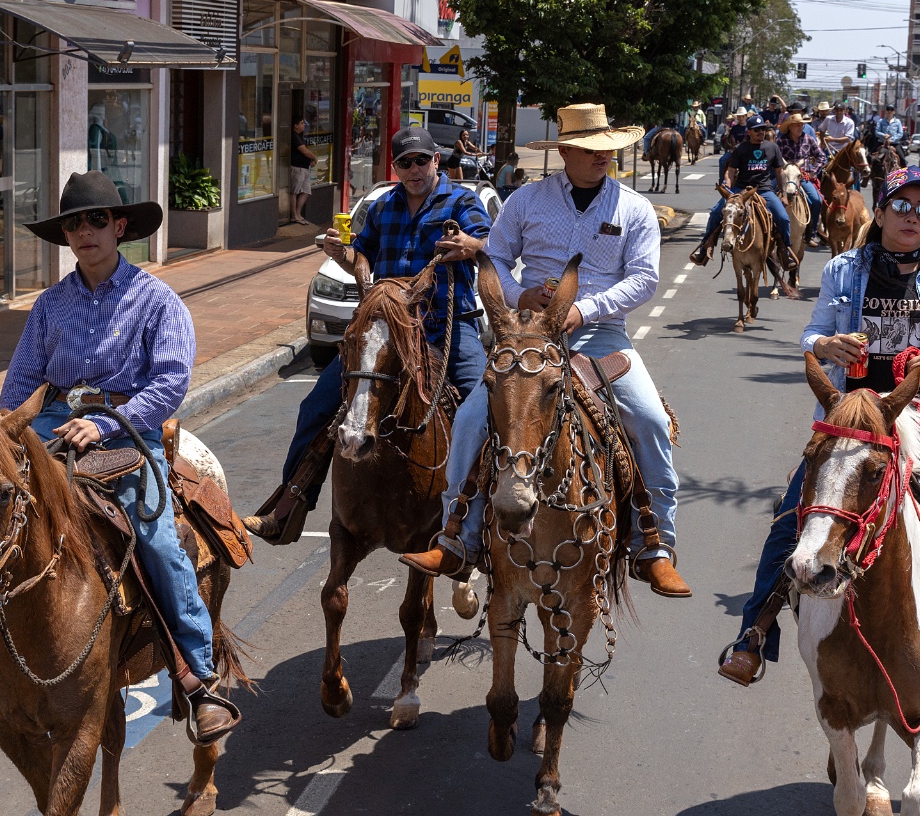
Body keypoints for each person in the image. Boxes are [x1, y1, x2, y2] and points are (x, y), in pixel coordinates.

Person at [0, 172, 240, 741]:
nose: (83, 231)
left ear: (119, 226)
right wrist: (7, 433)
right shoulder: (51, 305)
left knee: (158, 537)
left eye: (94, 221)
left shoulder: (157, 301)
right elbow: (20, 386)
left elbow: (169, 382)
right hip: (47, 431)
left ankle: (199, 677)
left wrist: (110, 420)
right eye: (72, 223)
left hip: (123, 436)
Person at [718, 166, 920, 693]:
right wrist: (825, 346)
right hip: (855, 428)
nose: (913, 218)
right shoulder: (845, 268)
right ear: (883, 210)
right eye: (902, 207)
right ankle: (753, 636)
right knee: (788, 521)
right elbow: (812, 331)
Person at [401, 103, 691, 599]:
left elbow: (645, 280)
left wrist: (586, 309)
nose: (605, 158)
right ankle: (457, 538)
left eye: (609, 150)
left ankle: (656, 546)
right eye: (593, 150)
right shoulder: (527, 201)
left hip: (601, 338)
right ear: (566, 152)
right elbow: (494, 258)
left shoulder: (635, 209)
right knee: (472, 420)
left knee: (649, 420)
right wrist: (519, 296)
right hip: (528, 337)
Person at [241, 127, 491, 543]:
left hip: (444, 326)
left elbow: (487, 243)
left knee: (486, 405)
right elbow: (363, 255)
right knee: (317, 405)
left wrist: (469, 244)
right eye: (404, 163)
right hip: (386, 330)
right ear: (395, 168)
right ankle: (288, 507)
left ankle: (485, 523)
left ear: (436, 160)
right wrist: (342, 253)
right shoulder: (383, 207)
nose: (414, 170)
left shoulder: (461, 201)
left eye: (421, 161)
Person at [689, 113, 792, 268]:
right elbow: (730, 171)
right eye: (756, 130)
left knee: (783, 218)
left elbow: (779, 172)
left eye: (762, 129)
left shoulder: (773, 148)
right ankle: (705, 247)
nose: (760, 132)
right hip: (740, 190)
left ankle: (785, 251)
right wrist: (727, 185)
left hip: (764, 190)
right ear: (749, 131)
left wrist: (783, 195)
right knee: (716, 212)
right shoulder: (740, 149)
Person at [777, 111, 828, 248]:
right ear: (790, 127)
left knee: (816, 200)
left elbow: (821, 156)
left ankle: (810, 234)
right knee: (766, 197)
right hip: (784, 177)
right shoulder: (781, 141)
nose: (801, 127)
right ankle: (769, 229)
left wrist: (813, 172)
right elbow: (775, 159)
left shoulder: (808, 139)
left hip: (802, 177)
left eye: (802, 125)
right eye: (797, 125)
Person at [290, 117, 315, 224]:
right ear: (295, 125)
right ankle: (294, 215)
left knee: (306, 191)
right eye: (301, 123)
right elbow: (304, 150)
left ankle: (298, 213)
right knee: (294, 191)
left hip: (305, 168)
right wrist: (314, 157)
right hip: (297, 168)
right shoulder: (294, 136)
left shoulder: (300, 136)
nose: (304, 125)